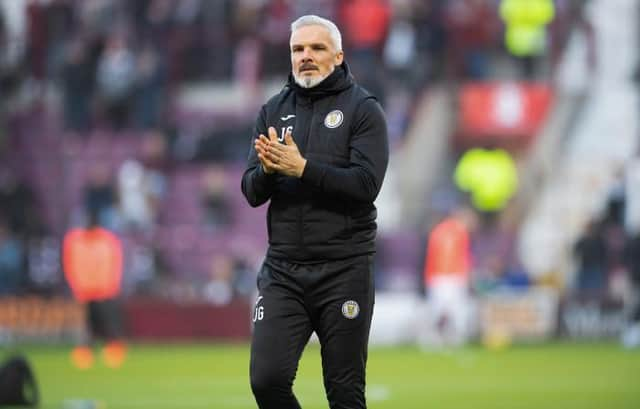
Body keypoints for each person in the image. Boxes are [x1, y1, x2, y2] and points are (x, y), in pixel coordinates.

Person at [241, 15, 388, 409]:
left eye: (316, 48)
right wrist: (269, 171)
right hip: (284, 272)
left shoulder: (363, 110)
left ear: (338, 56)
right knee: (266, 380)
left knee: (344, 392)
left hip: (345, 270)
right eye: (298, 49)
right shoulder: (272, 111)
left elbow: (365, 185)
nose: (306, 56)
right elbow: (251, 191)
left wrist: (302, 168)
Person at [62, 210, 126, 369]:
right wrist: (75, 285)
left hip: (104, 290)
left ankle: (113, 352)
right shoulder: (74, 240)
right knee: (85, 325)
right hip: (84, 291)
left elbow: (115, 262)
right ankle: (85, 354)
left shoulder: (107, 240)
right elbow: (69, 264)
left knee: (108, 323)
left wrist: (112, 284)